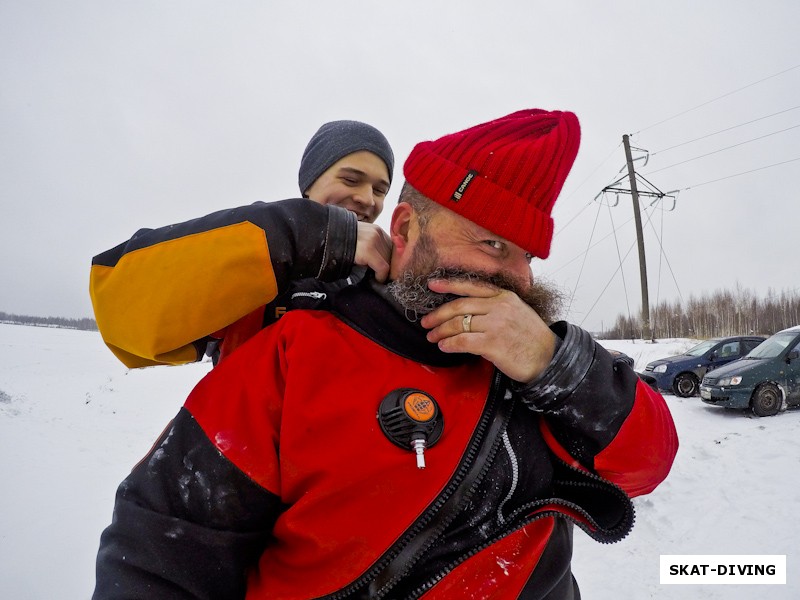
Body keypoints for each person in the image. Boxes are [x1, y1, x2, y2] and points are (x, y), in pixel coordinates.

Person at [93, 109, 678, 599]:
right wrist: (313, 234)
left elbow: (648, 459)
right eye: (492, 242)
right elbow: (163, 552)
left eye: (528, 256)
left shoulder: (523, 352)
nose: (517, 277)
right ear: (406, 228)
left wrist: (557, 365)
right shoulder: (282, 322)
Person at [89, 119, 395, 367]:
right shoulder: (254, 250)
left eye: (380, 190)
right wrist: (319, 234)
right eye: (351, 180)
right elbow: (124, 314)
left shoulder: (392, 273)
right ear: (310, 183)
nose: (367, 199)